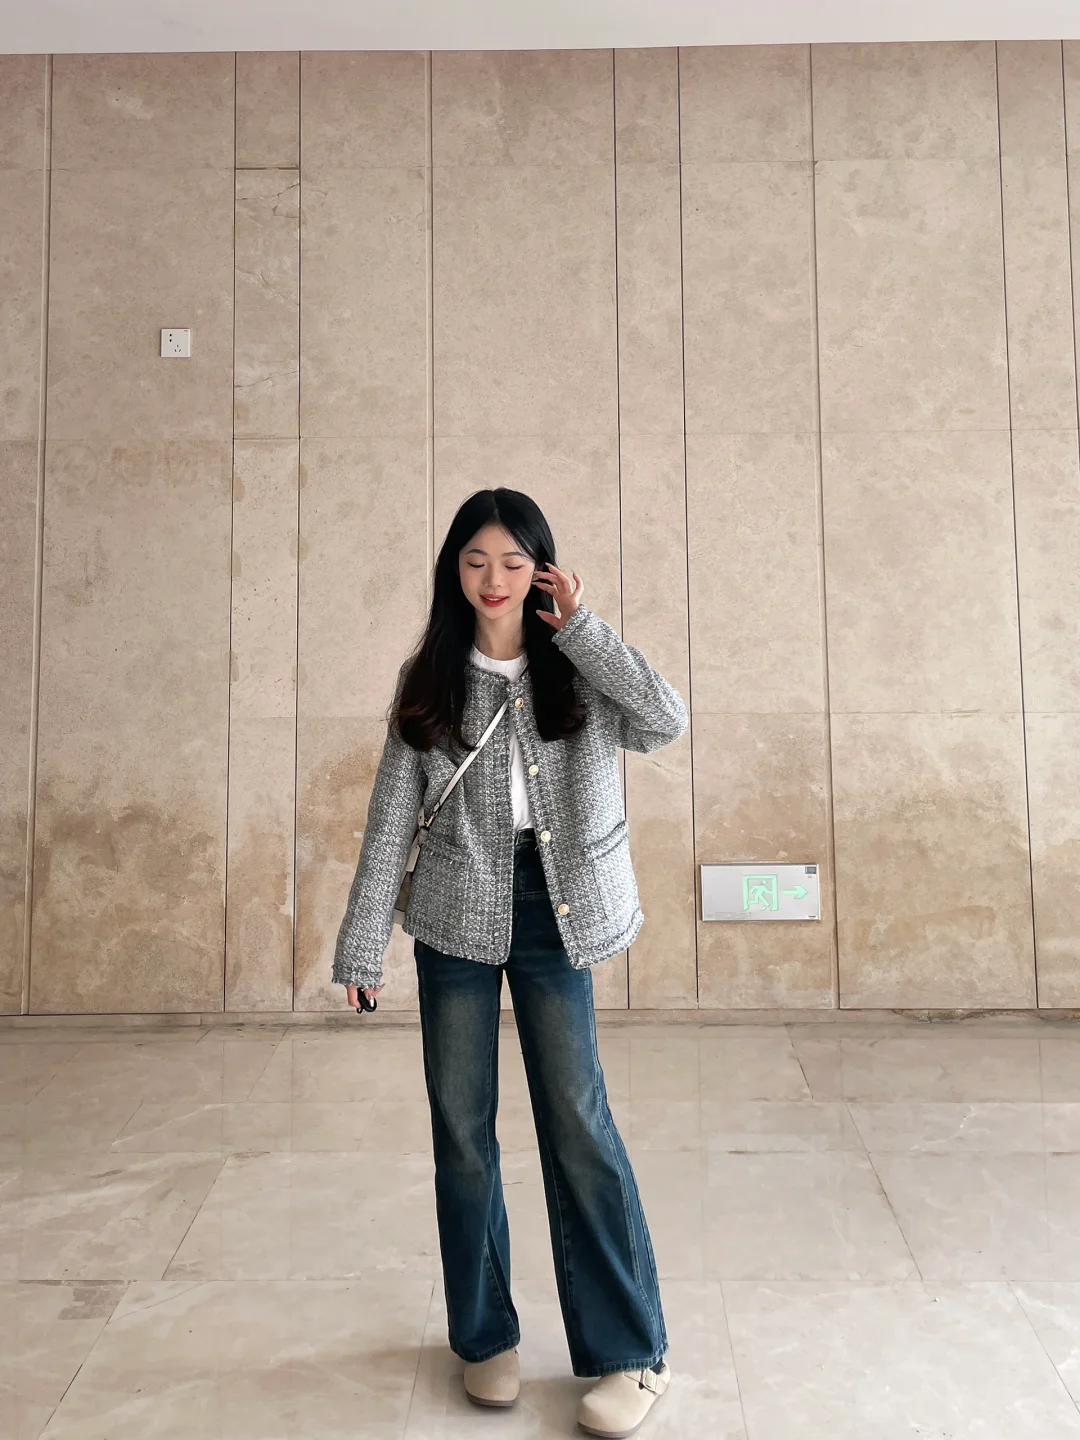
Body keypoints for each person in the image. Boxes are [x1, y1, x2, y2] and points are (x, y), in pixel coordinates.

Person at [332, 488, 687, 1438]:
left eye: (514, 562)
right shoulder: (430, 678)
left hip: (559, 912)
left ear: (543, 570)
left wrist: (585, 629)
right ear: (455, 569)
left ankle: (632, 1352)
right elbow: (389, 822)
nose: (494, 579)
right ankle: (484, 1335)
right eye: (477, 560)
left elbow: (664, 721)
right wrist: (363, 942)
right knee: (462, 1132)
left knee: (577, 1122)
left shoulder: (581, 668)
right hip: (454, 917)